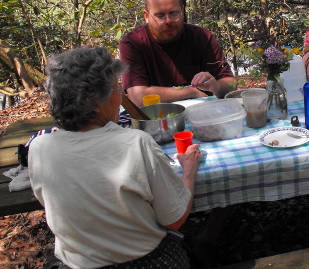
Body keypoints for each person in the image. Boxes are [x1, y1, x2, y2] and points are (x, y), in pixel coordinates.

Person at [28, 46, 203, 268]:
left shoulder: (40, 148)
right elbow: (175, 219)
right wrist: (188, 170)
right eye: (116, 88)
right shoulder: (135, 143)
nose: (121, 96)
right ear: (97, 104)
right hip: (145, 262)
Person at [120, 0, 234, 106]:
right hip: (157, 117)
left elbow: (230, 84)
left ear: (182, 11)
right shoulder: (133, 43)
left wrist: (215, 86)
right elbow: (138, 96)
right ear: (146, 16)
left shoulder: (201, 37)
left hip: (202, 114)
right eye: (160, 16)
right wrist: (189, 92)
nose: (168, 21)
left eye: (174, 13)